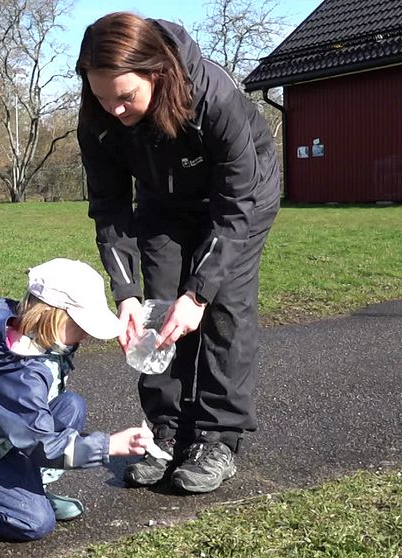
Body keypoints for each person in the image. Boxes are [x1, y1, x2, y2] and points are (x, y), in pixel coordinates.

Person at [75, 12, 281, 494]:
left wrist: (200, 294)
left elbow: (236, 207)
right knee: (156, 307)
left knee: (224, 305)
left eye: (125, 97)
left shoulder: (213, 95)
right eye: (103, 97)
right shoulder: (99, 119)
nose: (114, 109)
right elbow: (109, 209)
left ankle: (217, 437)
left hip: (239, 198)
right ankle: (167, 430)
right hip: (164, 202)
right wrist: (125, 292)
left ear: (157, 72)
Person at [0, 258, 152, 541]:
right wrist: (109, 445)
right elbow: (40, 441)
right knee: (34, 523)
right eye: (81, 324)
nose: (86, 333)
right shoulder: (19, 373)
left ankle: (30, 488)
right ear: (52, 317)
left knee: (71, 406)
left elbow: (33, 427)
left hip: (10, 437)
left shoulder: (42, 341)